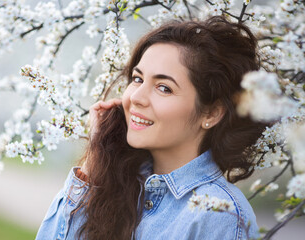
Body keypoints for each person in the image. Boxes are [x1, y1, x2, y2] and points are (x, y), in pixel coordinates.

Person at [35, 15, 267, 240]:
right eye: (137, 79)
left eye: (163, 88)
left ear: (211, 113)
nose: (137, 97)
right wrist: (96, 159)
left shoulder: (219, 216)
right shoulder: (119, 182)